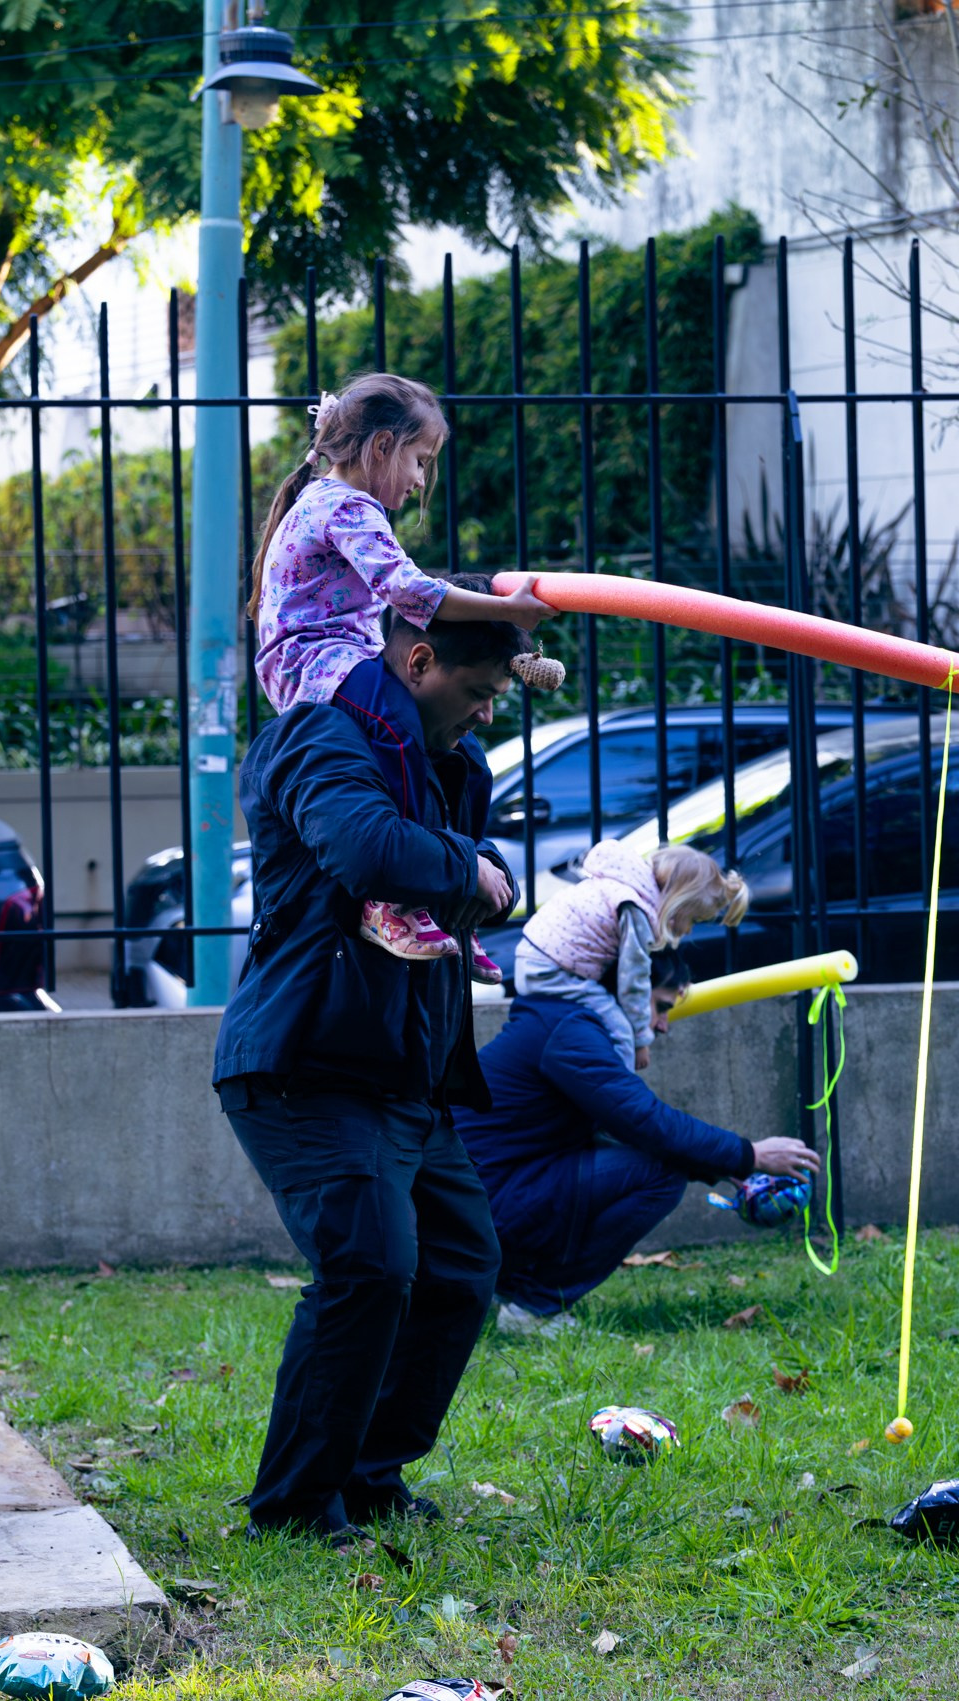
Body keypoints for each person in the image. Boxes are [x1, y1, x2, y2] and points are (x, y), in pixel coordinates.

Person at [212, 581, 533, 1546]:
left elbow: (463, 870)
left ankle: (366, 1468)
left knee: (459, 1270)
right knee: (369, 1268)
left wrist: (482, 873)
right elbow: (360, 847)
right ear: (417, 659)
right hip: (308, 1064)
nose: (486, 714)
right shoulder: (323, 736)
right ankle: (297, 1505)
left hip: (404, 1074)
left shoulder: (444, 761)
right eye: (477, 691)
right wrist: (469, 868)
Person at [248, 372, 551, 981]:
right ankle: (396, 904)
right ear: (381, 446)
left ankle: (449, 910)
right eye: (420, 460)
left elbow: (408, 601)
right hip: (316, 663)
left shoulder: (333, 504)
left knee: (466, 761)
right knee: (397, 731)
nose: (419, 481)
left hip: (341, 656)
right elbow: (412, 594)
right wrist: (507, 610)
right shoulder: (345, 505)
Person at [452, 948, 820, 1334]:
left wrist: (725, 1169)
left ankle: (513, 1290)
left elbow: (633, 1128)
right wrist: (750, 1155)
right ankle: (534, 1305)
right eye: (661, 1007)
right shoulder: (570, 1032)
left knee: (644, 1160)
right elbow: (647, 1122)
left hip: (493, 1197)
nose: (663, 1026)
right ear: (629, 989)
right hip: (485, 1210)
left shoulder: (563, 1020)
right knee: (659, 1175)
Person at [514, 839, 747, 1070]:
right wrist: (640, 1040)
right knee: (620, 1030)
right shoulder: (636, 909)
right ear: (679, 902)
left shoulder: (622, 884)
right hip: (551, 972)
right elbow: (633, 981)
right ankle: (621, 1083)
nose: (688, 930)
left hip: (534, 959)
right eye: (693, 919)